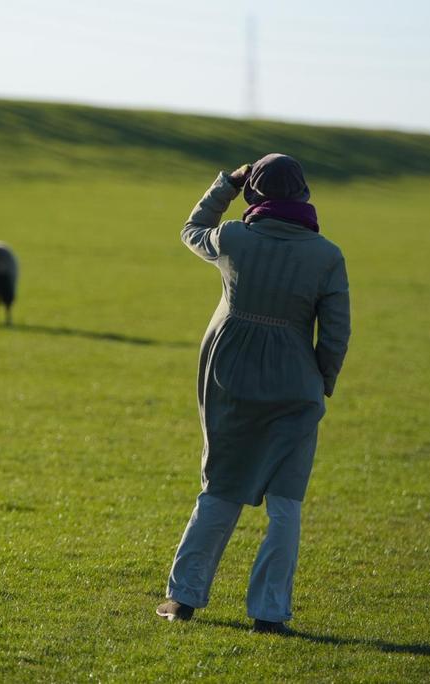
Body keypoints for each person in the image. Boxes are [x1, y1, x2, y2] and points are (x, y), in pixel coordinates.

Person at [156, 154, 351, 634]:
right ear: (304, 194)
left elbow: (191, 228)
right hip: (297, 387)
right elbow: (336, 332)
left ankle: (183, 599)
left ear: (254, 194)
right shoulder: (327, 255)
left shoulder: (234, 237)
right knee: (286, 505)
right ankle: (269, 613)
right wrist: (320, 382)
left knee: (221, 488)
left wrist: (226, 182)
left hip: (232, 378)